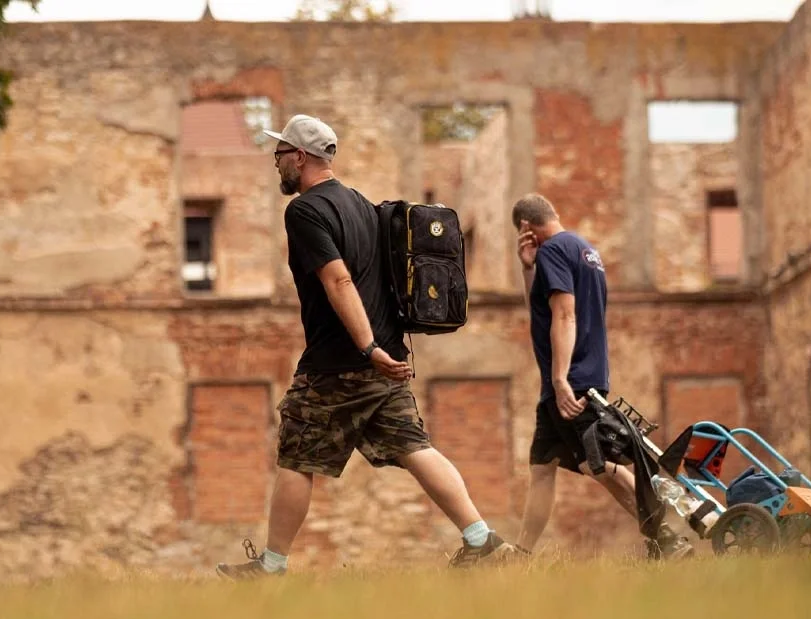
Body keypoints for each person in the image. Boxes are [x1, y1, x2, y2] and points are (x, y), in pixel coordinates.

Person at [215, 114, 518, 579]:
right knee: (415, 446)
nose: (276, 163)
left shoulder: (304, 211)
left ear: (300, 157)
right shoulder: (363, 206)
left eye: (280, 154)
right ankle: (482, 539)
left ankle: (271, 568)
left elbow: (337, 280)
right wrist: (382, 351)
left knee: (297, 457)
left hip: (341, 361)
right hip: (388, 358)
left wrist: (368, 347)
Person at [510, 192, 693, 560]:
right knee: (543, 468)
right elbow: (545, 309)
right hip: (571, 381)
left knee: (602, 465)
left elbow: (565, 314)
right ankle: (522, 554)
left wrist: (561, 378)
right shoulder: (584, 250)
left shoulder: (554, 252)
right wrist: (528, 269)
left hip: (571, 383)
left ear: (526, 227)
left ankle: (666, 536)